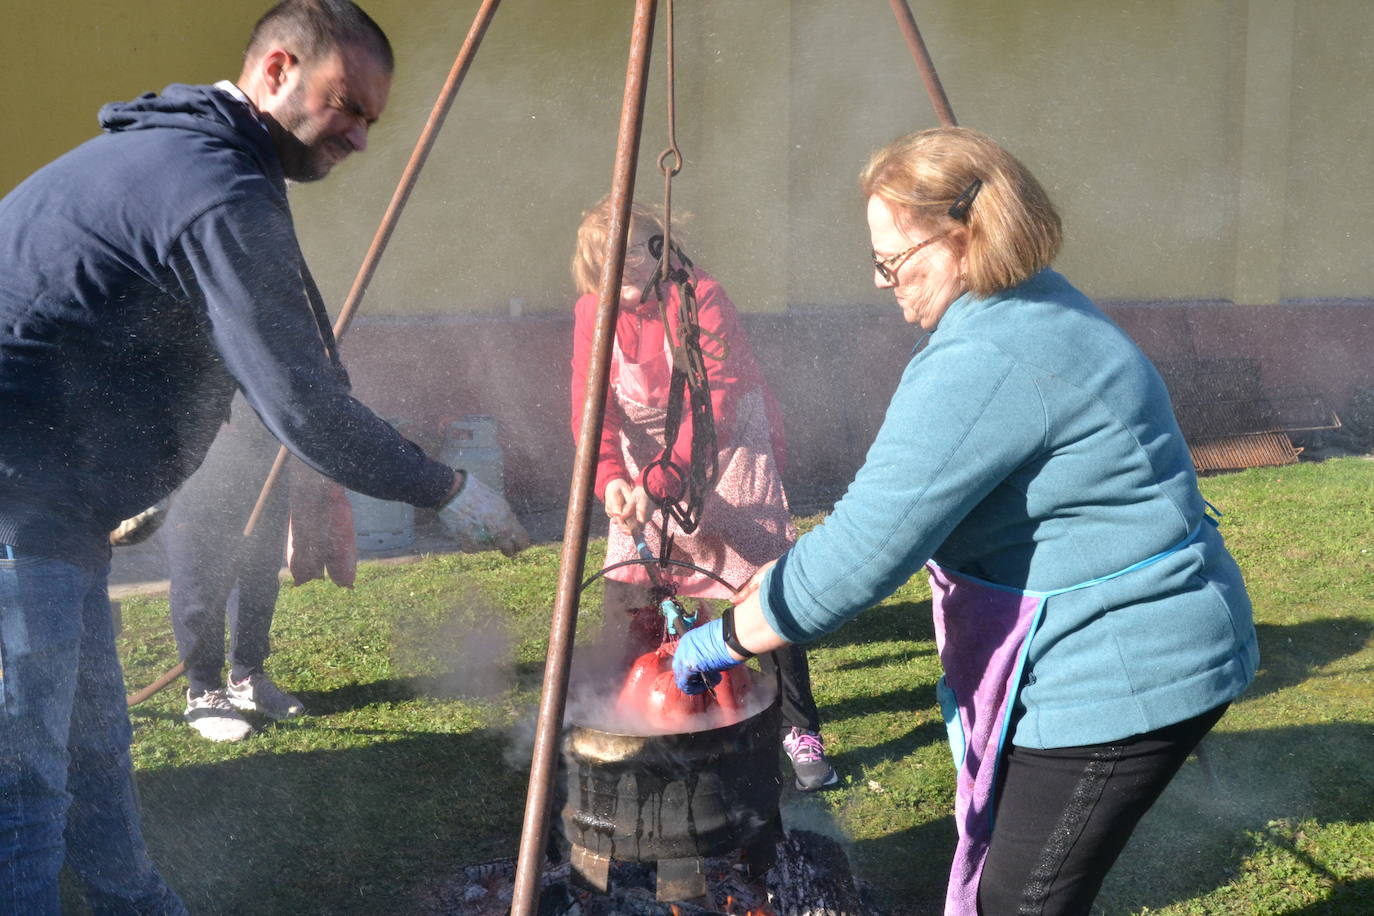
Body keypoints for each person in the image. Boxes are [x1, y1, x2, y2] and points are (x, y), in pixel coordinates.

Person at [0, 1, 527, 911]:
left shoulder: (192, 157)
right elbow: (298, 400)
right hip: (15, 505)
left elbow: (210, 343)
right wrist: (443, 488)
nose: (360, 136)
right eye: (347, 105)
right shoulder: (211, 181)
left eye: (371, 118)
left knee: (93, 752)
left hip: (54, 504)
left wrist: (145, 463)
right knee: (22, 790)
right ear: (277, 70)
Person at [671, 127, 1259, 914]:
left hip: (1121, 665)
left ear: (966, 236)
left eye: (893, 262)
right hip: (1138, 631)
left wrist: (723, 639)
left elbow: (861, 556)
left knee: (1019, 902)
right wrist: (775, 584)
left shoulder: (985, 359)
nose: (881, 283)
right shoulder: (1034, 302)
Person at [570, 198, 836, 791]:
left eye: (638, 248)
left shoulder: (699, 297)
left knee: (760, 583)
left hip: (725, 444)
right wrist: (612, 474)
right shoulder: (593, 312)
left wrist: (659, 483)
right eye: (608, 257)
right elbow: (592, 406)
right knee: (627, 591)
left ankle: (800, 730)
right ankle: (631, 724)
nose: (626, 265)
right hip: (643, 462)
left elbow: (712, 400)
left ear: (660, 247)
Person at [165, 397, 299, 742]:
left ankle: (246, 677)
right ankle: (202, 691)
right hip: (189, 454)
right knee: (197, 577)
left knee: (257, 573)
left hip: (261, 454)